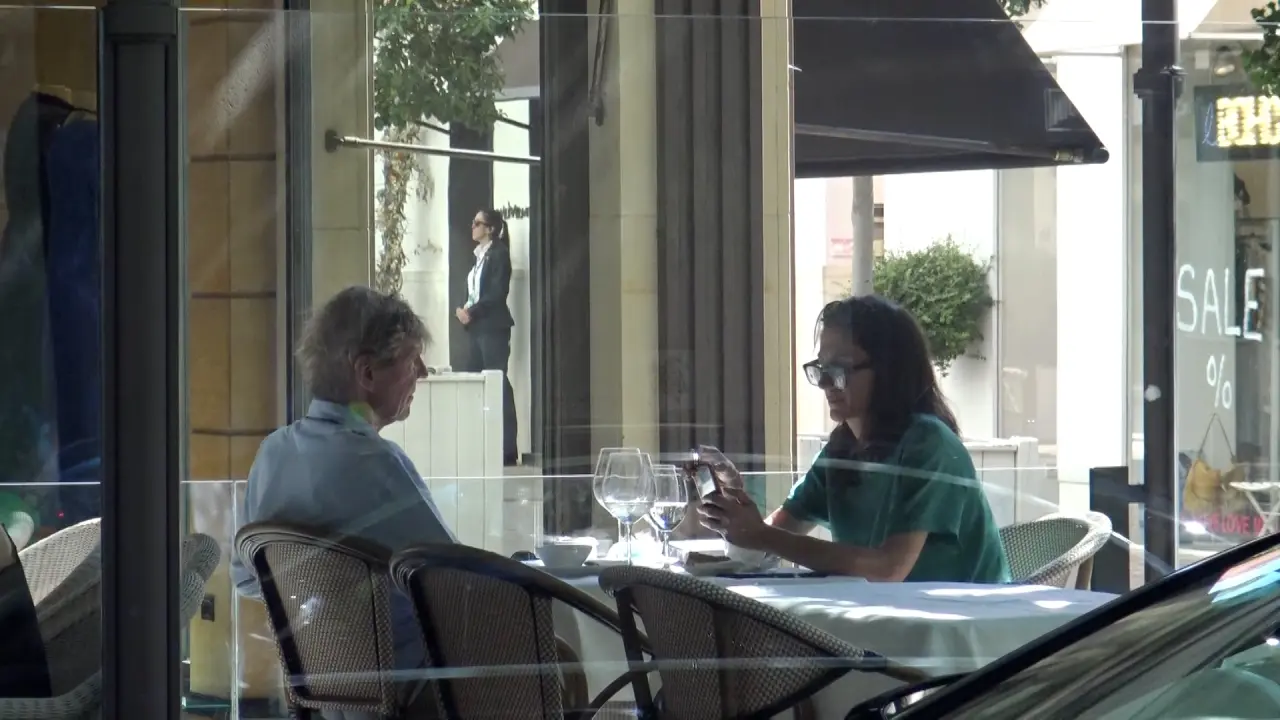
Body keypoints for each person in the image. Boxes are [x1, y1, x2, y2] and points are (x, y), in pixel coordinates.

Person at [698, 295, 1011, 583]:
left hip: (974, 621)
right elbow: (765, 544)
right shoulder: (842, 450)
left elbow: (887, 569)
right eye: (820, 368)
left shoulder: (928, 443)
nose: (824, 382)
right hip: (895, 617)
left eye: (839, 368)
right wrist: (736, 504)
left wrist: (761, 536)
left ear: (889, 370)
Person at [229, 285, 456, 676]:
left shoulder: (272, 454)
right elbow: (455, 582)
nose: (422, 372)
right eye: (412, 359)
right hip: (414, 685)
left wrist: (326, 620)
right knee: (554, 658)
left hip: (321, 686)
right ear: (367, 372)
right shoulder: (379, 464)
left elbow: (246, 579)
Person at [455, 208, 519, 465]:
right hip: (476, 328)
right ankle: (478, 445)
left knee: (497, 383)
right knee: (474, 384)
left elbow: (495, 293)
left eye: (477, 223)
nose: (473, 227)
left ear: (490, 229)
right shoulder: (479, 256)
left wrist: (472, 311)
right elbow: (474, 291)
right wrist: (464, 309)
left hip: (492, 328)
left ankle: (506, 449)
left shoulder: (499, 255)